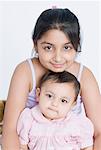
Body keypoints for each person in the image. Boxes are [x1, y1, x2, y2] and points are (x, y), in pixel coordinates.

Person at [2, 8, 101, 150]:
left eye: (66, 48)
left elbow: (99, 132)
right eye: (48, 48)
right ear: (35, 44)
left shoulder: (84, 76)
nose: (58, 57)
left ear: (77, 45)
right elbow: (9, 130)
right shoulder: (25, 72)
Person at [17, 71, 94, 150]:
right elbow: (22, 146)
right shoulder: (29, 118)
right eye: (49, 96)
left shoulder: (77, 123)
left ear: (72, 105)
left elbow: (87, 146)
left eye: (63, 101)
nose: (55, 104)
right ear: (38, 94)